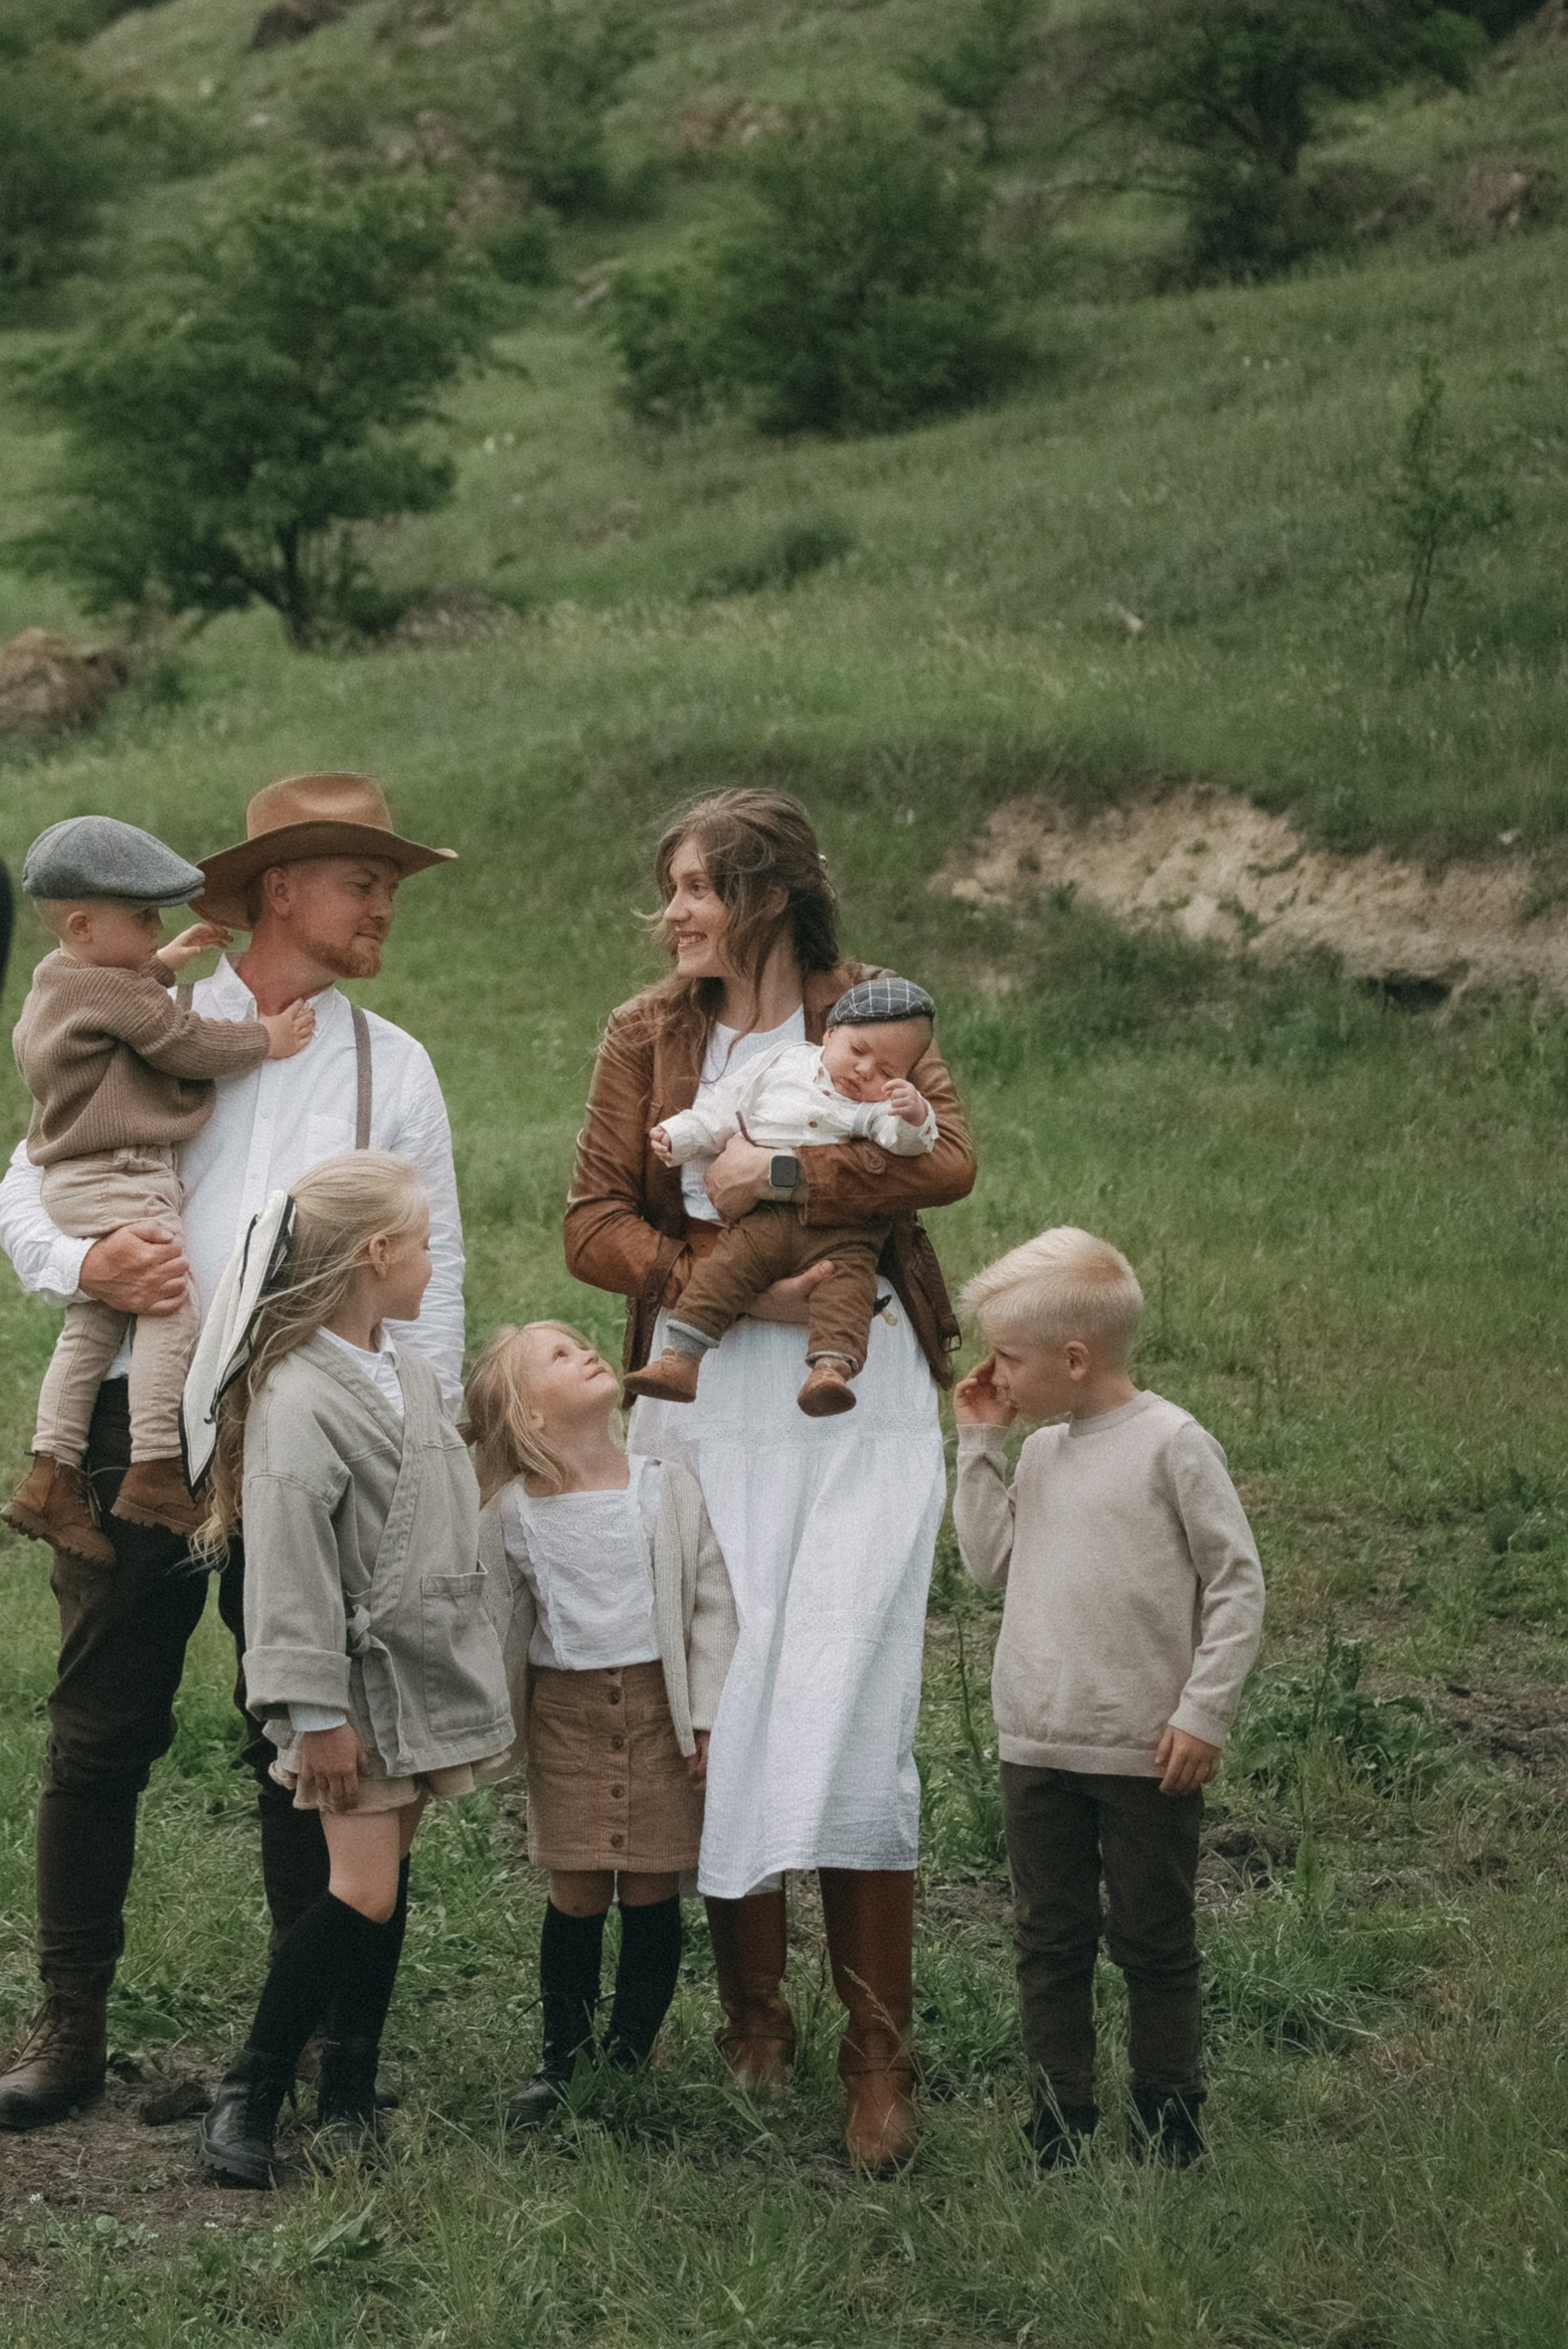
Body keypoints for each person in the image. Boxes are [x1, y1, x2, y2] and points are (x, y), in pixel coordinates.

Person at [0, 773, 467, 2139]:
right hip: (134, 1414)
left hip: (305, 1444)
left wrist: (425, 1458)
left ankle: (298, 2043)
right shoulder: (142, 1015)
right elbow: (32, 1174)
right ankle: (69, 2027)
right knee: (98, 1733)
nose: (383, 904)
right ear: (277, 891)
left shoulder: (393, 1068)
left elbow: (444, 1271)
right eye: (361, 879)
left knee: (307, 1740)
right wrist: (84, 1256)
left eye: (387, 883)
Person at [563, 786, 975, 2171]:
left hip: (859, 1404)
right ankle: (756, 2014)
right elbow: (591, 1224)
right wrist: (723, 1289)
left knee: (854, 1698)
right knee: (722, 1698)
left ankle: (878, 2056)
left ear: (773, 893)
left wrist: (779, 1170)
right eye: (670, 884)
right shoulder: (647, 1031)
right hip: (705, 1397)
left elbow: (944, 1164)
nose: (674, 910)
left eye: (697, 885)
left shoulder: (877, 1009)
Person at [196, 1152, 513, 2187]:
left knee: (382, 1884)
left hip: (417, 1677)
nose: (434, 1262)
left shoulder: (408, 1374)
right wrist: (312, 1708)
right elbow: (285, 1563)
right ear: (377, 1255)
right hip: (352, 1690)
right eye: (423, 1244)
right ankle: (249, 2091)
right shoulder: (299, 1396)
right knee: (361, 1889)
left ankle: (347, 2097)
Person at [952, 1224, 1266, 2169]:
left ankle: (1171, 2119)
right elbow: (985, 1567)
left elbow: (1236, 1582)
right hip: (1036, 1746)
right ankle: (1060, 2120)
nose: (993, 1374)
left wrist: (1203, 1711)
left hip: (1144, 1750)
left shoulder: (1173, 1444)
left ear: (1075, 1358)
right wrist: (979, 1446)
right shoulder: (1041, 1454)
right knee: (1049, 1941)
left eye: (1007, 1358)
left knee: (1154, 1941)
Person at [0, 813, 316, 1564]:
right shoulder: (116, 993)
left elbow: (119, 996)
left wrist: (160, 957)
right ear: (83, 925)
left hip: (76, 1180)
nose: (155, 926)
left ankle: (50, 1472)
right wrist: (262, 1041)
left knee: (96, 1323)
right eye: (142, 917)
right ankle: (154, 1467)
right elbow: (180, 1041)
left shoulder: (60, 979)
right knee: (170, 1299)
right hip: (123, 1172)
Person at [464, 1320, 737, 2130]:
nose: (584, 1350)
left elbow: (711, 1607)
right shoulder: (510, 1513)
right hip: (567, 1721)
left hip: (660, 1712)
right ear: (531, 1419)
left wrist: (708, 1718)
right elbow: (489, 1619)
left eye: (580, 1341)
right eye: (557, 1355)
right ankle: (563, 2055)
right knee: (578, 1885)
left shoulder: (666, 1486)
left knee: (652, 1884)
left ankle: (630, 2049)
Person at [629, 975, 943, 1416]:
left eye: (888, 1071)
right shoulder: (784, 1063)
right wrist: (681, 1135)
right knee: (724, 1271)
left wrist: (915, 1115)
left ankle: (830, 1371)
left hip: (844, 1230)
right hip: (764, 1218)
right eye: (857, 1051)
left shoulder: (876, 1110)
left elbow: (907, 1145)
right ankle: (679, 1358)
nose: (866, 1071)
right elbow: (724, 1107)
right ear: (830, 1034)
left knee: (848, 1288)